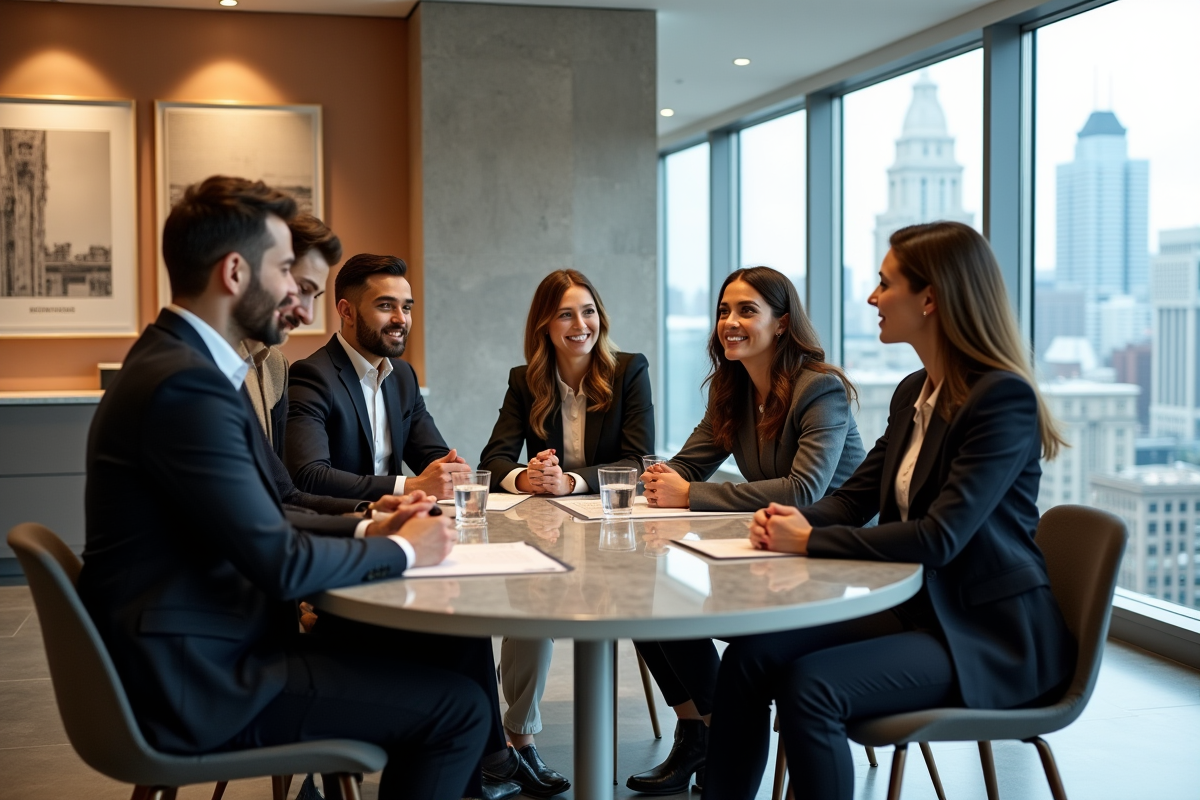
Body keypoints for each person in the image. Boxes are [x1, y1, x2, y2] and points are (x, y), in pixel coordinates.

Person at [77, 175, 491, 800]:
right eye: (286, 276)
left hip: (202, 649)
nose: (299, 306)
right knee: (458, 711)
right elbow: (279, 558)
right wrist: (408, 550)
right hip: (201, 680)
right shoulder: (186, 387)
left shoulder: (193, 368)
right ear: (236, 273)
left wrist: (372, 524)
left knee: (454, 657)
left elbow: (282, 503)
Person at [705, 221, 1076, 800]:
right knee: (749, 659)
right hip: (921, 608)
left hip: (989, 635)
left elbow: (939, 538)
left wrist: (808, 541)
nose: (873, 298)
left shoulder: (1003, 398)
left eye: (885, 284)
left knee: (811, 686)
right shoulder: (913, 391)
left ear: (930, 298)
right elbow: (857, 497)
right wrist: (788, 525)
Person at [628, 265, 863, 795]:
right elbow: (691, 464)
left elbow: (806, 490)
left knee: (704, 625)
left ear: (782, 324)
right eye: (723, 311)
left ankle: (719, 736)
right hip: (770, 550)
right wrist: (663, 477)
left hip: (835, 563)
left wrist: (691, 494)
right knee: (647, 602)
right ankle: (705, 730)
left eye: (746, 311)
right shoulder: (732, 389)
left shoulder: (818, 387)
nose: (729, 322)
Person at [478, 268, 654, 796]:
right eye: (565, 314)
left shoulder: (628, 370)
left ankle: (698, 726)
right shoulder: (523, 379)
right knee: (529, 608)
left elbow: (639, 460)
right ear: (545, 326)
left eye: (588, 311)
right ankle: (519, 745)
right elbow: (495, 458)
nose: (581, 324)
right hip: (549, 532)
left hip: (617, 535)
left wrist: (572, 481)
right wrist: (524, 477)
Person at [286, 254, 470, 501]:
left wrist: (449, 470)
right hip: (343, 526)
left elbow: (432, 455)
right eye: (385, 306)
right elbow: (310, 476)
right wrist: (408, 487)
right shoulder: (312, 376)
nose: (401, 319)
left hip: (403, 519)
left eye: (406, 307)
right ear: (347, 312)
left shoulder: (404, 376)